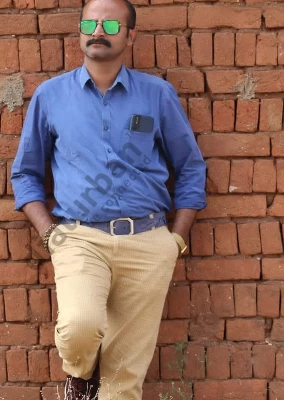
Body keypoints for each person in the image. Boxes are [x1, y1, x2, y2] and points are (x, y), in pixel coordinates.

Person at [11, 0, 207, 398]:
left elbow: (190, 167)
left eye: (111, 25)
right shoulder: (51, 96)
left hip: (149, 241)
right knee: (79, 326)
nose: (98, 31)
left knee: (124, 379)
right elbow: (26, 173)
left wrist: (176, 240)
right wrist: (51, 234)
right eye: (90, 23)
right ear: (80, 31)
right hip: (79, 238)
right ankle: (80, 375)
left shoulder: (157, 95)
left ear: (131, 36)